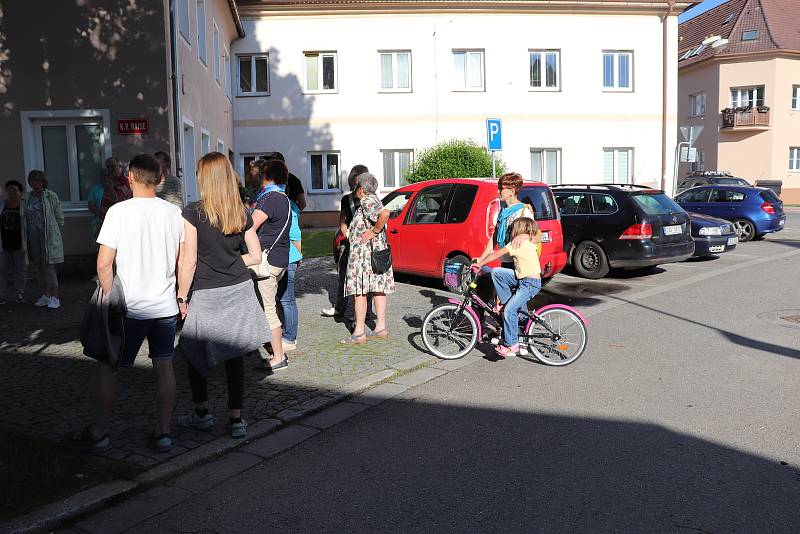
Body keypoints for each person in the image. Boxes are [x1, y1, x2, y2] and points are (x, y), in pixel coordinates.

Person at [68, 154, 185, 454]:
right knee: (164, 368)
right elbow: (181, 259)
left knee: (109, 369)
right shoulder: (173, 214)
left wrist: (110, 299)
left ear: (130, 177)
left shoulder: (118, 212)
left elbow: (104, 264)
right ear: (160, 179)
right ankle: (163, 433)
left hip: (127, 308)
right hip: (164, 307)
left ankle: (98, 433)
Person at [177, 152, 268, 439]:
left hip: (205, 292)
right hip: (238, 291)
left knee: (194, 352)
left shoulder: (193, 212)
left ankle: (202, 413)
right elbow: (255, 256)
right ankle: (236, 419)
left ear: (205, 178)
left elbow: (188, 260)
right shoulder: (240, 212)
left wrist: (181, 297)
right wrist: (230, 263)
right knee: (234, 356)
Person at [473, 217, 542, 358]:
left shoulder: (517, 243)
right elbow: (537, 237)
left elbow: (497, 253)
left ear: (517, 230)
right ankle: (505, 304)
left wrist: (480, 263)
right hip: (522, 278)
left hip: (530, 283)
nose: (510, 232)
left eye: (512, 229)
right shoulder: (529, 241)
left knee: (510, 310)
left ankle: (512, 345)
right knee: (497, 273)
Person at [340, 172, 394, 345]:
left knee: (360, 293)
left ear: (361, 190)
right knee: (378, 289)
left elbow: (385, 214)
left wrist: (374, 231)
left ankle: (359, 332)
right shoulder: (376, 199)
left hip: (364, 257)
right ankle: (381, 327)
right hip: (375, 255)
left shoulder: (367, 201)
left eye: (356, 188)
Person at [251, 159, 291, 371]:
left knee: (268, 310)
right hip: (279, 259)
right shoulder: (283, 197)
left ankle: (279, 357)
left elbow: (250, 226)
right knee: (270, 306)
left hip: (267, 261)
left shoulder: (270, 198)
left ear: (269, 175)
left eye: (261, 173)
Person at [321, 164, 369, 321]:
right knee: (343, 276)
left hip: (365, 245)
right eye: (355, 183)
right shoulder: (346, 199)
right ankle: (340, 308)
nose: (358, 187)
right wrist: (348, 236)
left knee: (364, 279)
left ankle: (364, 313)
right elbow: (343, 223)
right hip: (348, 243)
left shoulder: (371, 199)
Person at [22, 170, 64, 309]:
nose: (35, 182)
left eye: (38, 180)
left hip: (48, 235)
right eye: (33, 180)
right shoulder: (27, 198)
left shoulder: (50, 195)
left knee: (49, 266)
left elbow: (59, 217)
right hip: (33, 236)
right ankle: (45, 295)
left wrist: (55, 233)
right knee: (39, 267)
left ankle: (55, 297)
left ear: (43, 182)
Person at [277, 179, 302, 352]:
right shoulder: (289, 204)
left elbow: (295, 234)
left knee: (287, 300)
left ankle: (290, 337)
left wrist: (297, 256)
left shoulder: (288, 206)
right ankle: (283, 333)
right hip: (285, 258)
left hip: (287, 258)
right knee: (281, 299)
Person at [0, 180, 26, 304]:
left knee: (20, 271)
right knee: (2, 270)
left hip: (19, 244)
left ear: (20, 192)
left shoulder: (24, 206)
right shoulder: (1, 205)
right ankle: (1, 295)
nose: (11, 192)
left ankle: (19, 294)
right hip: (3, 244)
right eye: (9, 189)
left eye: (14, 189)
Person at [99, 157, 132, 221]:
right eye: (108, 167)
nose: (110, 169)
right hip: (108, 220)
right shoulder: (108, 182)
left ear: (120, 166)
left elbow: (118, 204)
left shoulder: (127, 183)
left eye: (113, 166)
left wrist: (111, 187)